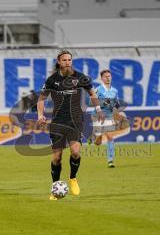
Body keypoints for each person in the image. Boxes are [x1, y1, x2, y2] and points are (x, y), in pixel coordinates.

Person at [37, 50, 105, 200]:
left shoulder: (80, 77)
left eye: (69, 60)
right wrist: (40, 115)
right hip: (57, 122)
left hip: (75, 120)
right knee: (57, 158)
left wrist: (99, 110)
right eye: (65, 60)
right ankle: (55, 188)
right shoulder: (51, 80)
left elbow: (92, 94)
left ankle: (73, 178)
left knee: (75, 152)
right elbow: (41, 99)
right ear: (59, 62)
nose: (67, 62)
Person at [94, 69, 130, 168]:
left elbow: (116, 103)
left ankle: (110, 160)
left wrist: (120, 112)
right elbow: (94, 102)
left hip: (109, 116)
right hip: (99, 116)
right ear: (102, 78)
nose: (108, 78)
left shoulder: (114, 91)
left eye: (109, 76)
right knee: (97, 143)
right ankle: (96, 136)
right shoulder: (98, 90)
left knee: (110, 136)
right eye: (106, 76)